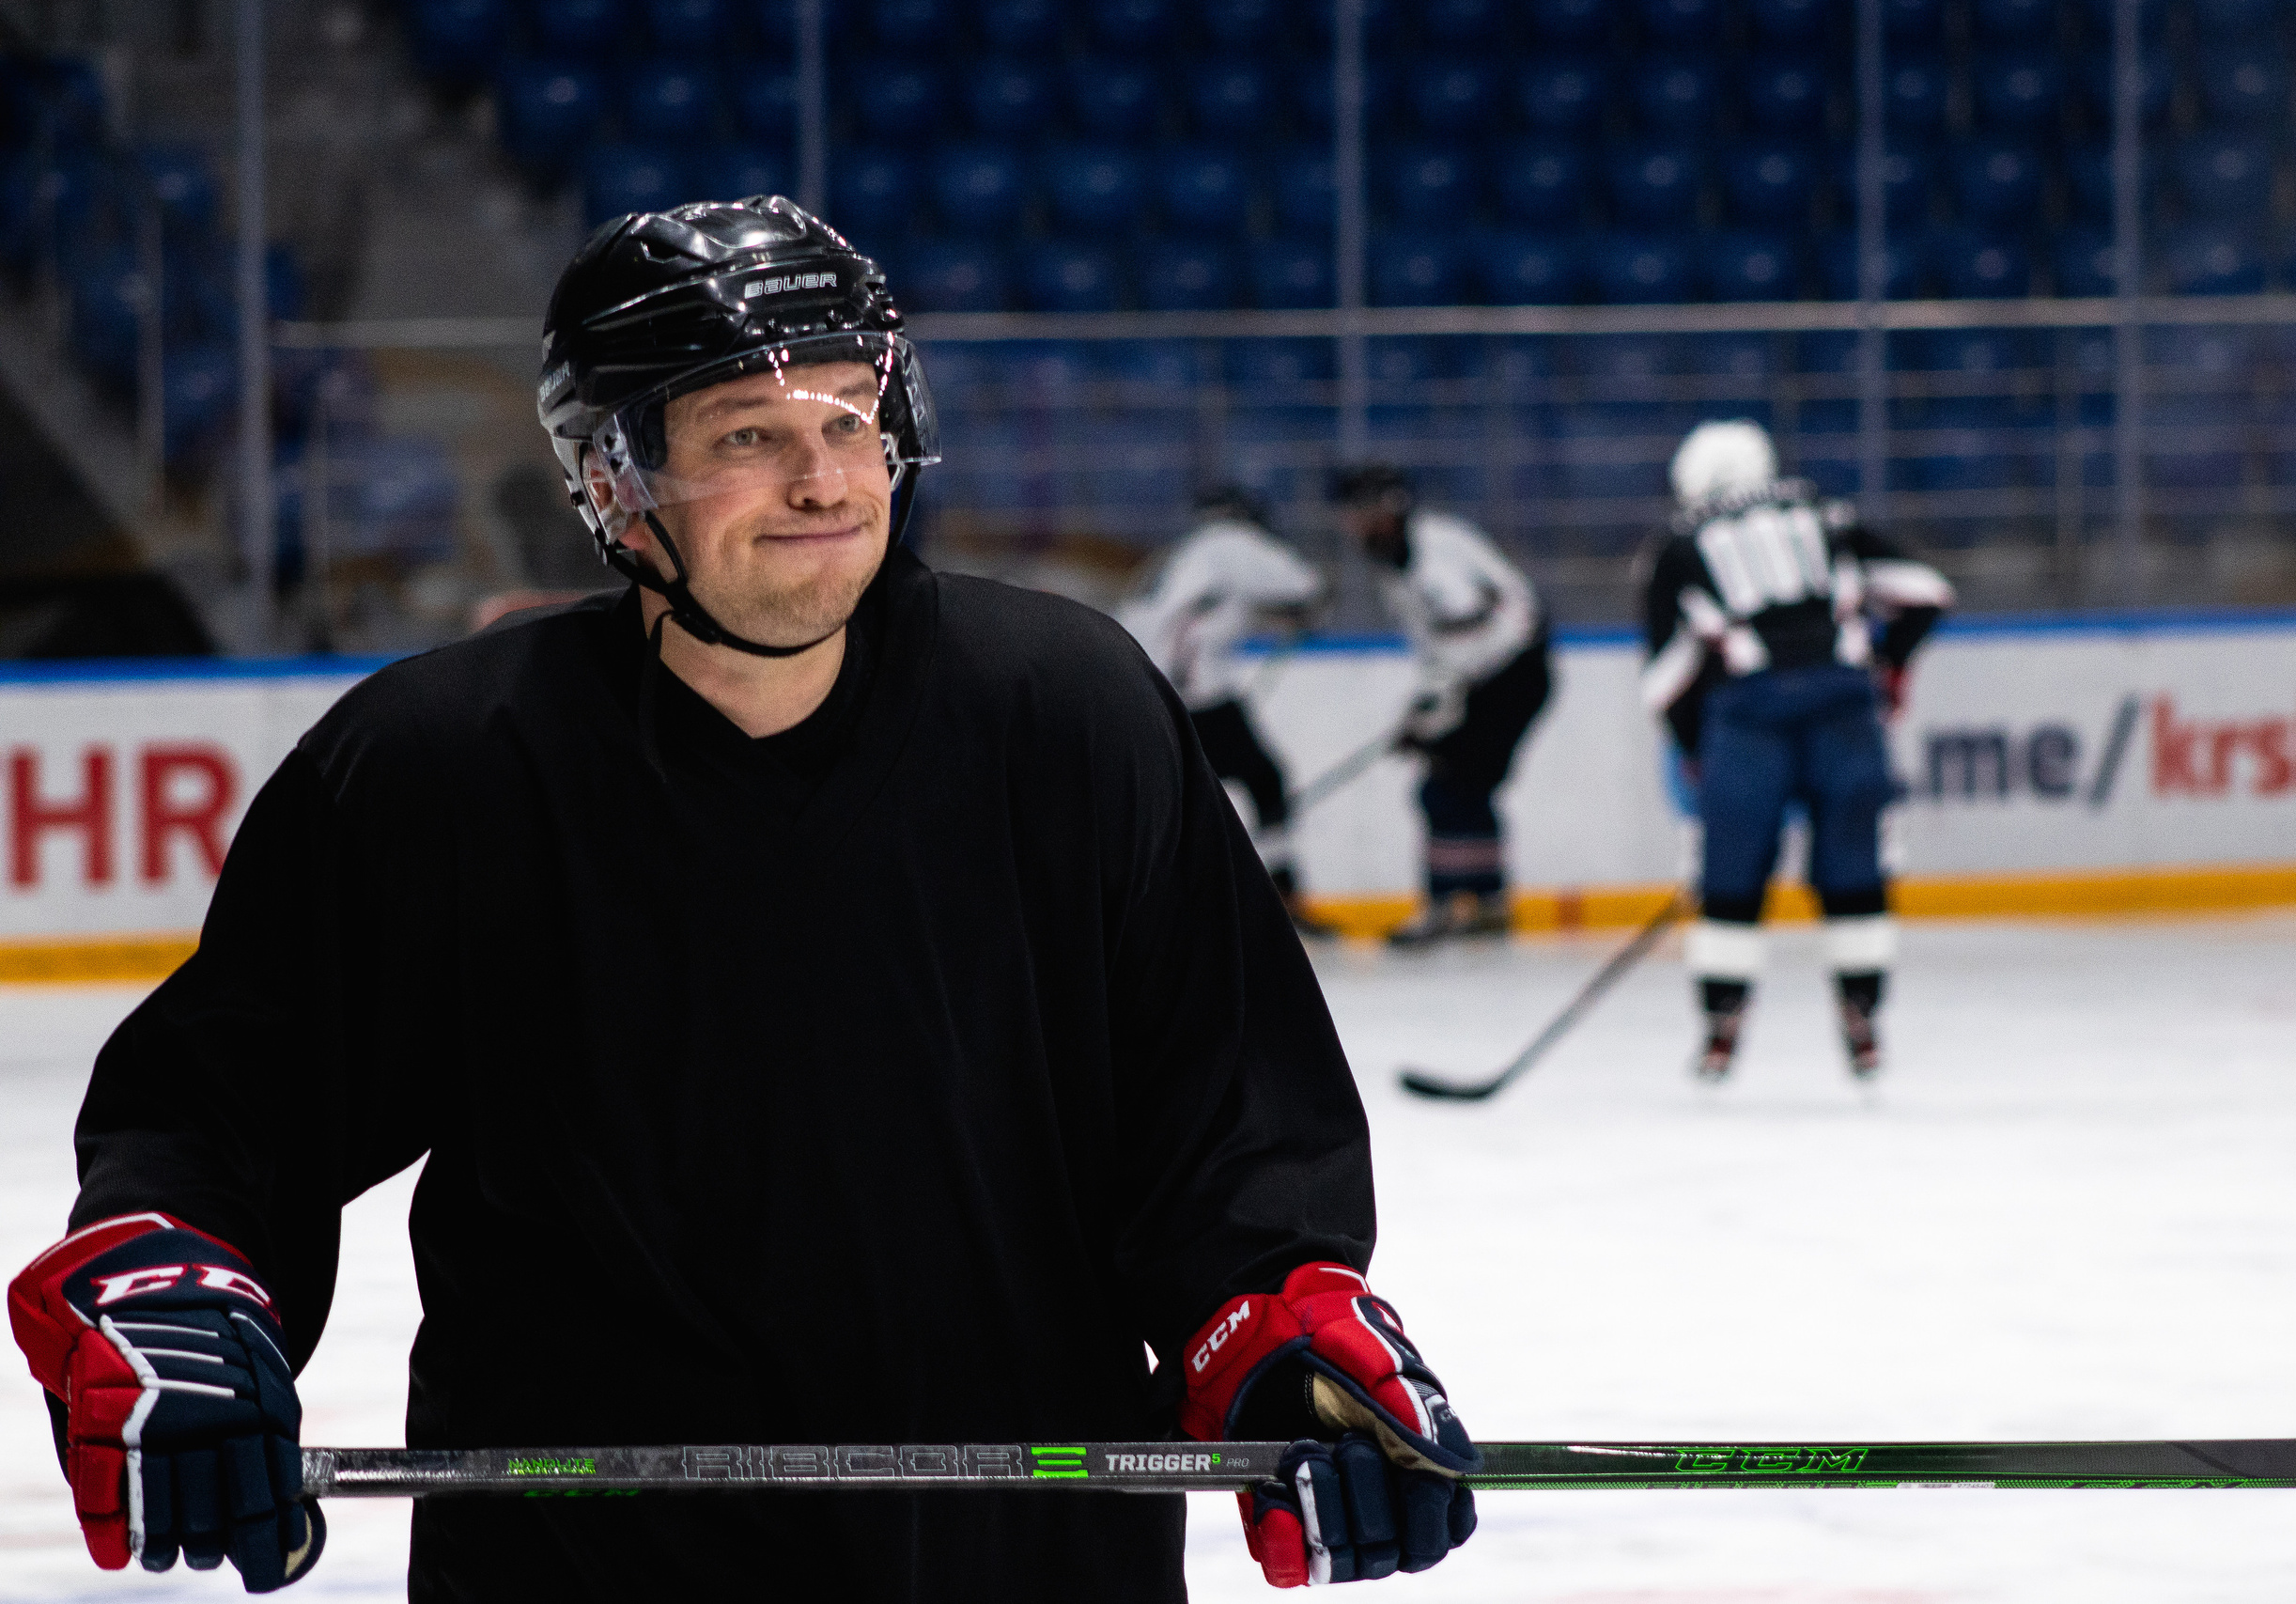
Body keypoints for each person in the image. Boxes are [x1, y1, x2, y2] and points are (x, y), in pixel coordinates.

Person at [6, 199, 1479, 1598]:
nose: (826, 479)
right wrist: (178, 1301)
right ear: (610, 479)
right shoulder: (443, 766)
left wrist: (1276, 1325)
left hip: (1014, 1564)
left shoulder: (1067, 712)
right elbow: (224, 1114)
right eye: (748, 435)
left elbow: (1223, 1108)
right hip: (583, 1573)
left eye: (851, 419)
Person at [1638, 419, 1953, 1082]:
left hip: (1749, 719)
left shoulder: (1677, 543)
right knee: (1853, 866)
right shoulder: (1825, 511)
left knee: (1730, 873)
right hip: (1844, 710)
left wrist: (1694, 745)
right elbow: (1927, 592)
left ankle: (1721, 1024)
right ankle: (1862, 1016)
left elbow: (1665, 680)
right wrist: (1889, 668)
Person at [1330, 463, 1552, 948]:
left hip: (1512, 672)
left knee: (1447, 784)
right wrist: (1425, 712)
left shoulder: (1430, 556)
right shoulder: (1400, 558)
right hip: (1497, 674)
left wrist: (1432, 715)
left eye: (1359, 511)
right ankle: (1487, 904)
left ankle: (1448, 904)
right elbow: (1443, 649)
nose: (1352, 524)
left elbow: (1472, 640)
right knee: (1463, 784)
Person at [1116, 485, 1332, 933]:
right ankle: (1281, 897)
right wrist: (1301, 606)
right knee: (1264, 780)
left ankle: (1161, 905)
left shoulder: (1179, 557)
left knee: (1176, 801)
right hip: (1196, 694)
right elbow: (1303, 583)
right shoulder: (1230, 543)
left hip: (1148, 688)